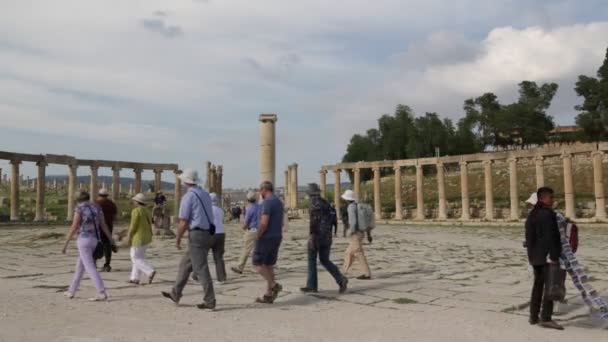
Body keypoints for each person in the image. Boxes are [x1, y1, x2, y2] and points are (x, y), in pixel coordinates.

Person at [161, 169, 216, 310]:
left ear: (185, 182)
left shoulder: (188, 196)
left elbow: (184, 221)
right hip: (208, 233)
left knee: (201, 268)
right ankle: (176, 293)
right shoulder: (205, 194)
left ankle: (210, 300)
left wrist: (178, 238)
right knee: (185, 264)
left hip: (196, 234)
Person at [62, 191, 115, 301]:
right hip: (95, 239)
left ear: (77, 199)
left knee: (90, 267)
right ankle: (71, 290)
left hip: (83, 239)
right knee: (80, 267)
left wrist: (66, 243)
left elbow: (74, 226)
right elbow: (103, 225)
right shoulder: (97, 207)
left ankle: (101, 291)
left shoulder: (79, 208)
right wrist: (111, 239)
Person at [525, 187, 564, 330]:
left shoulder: (532, 214)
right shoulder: (547, 214)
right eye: (550, 197)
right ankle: (546, 318)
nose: (552, 200)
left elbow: (529, 237)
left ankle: (533, 316)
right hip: (547, 257)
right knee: (550, 286)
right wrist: (554, 256)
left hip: (535, 256)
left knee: (537, 286)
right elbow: (550, 237)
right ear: (542, 198)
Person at [301, 184, 348, 294]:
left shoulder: (313, 204)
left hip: (317, 236)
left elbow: (314, 222)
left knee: (312, 259)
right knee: (325, 260)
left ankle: (312, 285)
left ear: (310, 194)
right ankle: (340, 279)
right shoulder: (326, 203)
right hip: (327, 236)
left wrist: (312, 237)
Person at [253, 181, 284, 304]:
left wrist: (257, 235)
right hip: (277, 236)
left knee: (257, 264)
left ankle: (273, 284)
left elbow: (264, 223)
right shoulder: (278, 202)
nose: (260, 193)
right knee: (269, 265)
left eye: (260, 190)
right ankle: (269, 295)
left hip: (266, 237)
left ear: (264, 189)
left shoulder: (267, 202)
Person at [341, 190, 372, 280]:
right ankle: (344, 271)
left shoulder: (351, 207)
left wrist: (351, 231)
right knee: (349, 253)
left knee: (358, 253)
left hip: (355, 233)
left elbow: (353, 221)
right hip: (361, 232)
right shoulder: (358, 206)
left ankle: (367, 273)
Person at [127, 193, 156, 285]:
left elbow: (133, 225)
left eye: (134, 200)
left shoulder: (136, 211)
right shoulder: (148, 211)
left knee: (134, 257)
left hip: (138, 236)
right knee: (139, 257)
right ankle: (135, 278)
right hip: (147, 236)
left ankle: (149, 271)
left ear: (137, 201)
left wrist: (129, 235)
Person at [231, 191, 260, 275]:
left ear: (247, 199)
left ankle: (240, 267)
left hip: (252, 230)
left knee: (246, 249)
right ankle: (260, 267)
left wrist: (243, 228)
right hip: (260, 230)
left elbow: (246, 222)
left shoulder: (250, 208)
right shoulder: (261, 207)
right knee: (257, 250)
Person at [96, 188, 117, 272]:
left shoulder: (96, 204)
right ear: (107, 195)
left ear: (99, 195)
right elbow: (115, 216)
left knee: (96, 245)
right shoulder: (111, 204)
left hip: (98, 227)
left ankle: (93, 262)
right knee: (107, 245)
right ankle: (107, 264)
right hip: (109, 227)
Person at [210, 193, 227, 283]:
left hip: (211, 234)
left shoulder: (208, 209)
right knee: (219, 257)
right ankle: (222, 278)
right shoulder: (220, 210)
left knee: (202, 255)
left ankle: (196, 275)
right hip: (221, 233)